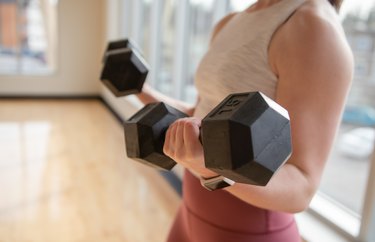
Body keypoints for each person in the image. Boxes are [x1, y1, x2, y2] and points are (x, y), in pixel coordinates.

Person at [136, 0, 353, 241]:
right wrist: (139, 88)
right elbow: (202, 117)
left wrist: (207, 166)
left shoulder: (313, 29)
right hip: (191, 210)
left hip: (248, 228)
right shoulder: (231, 22)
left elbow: (301, 187)